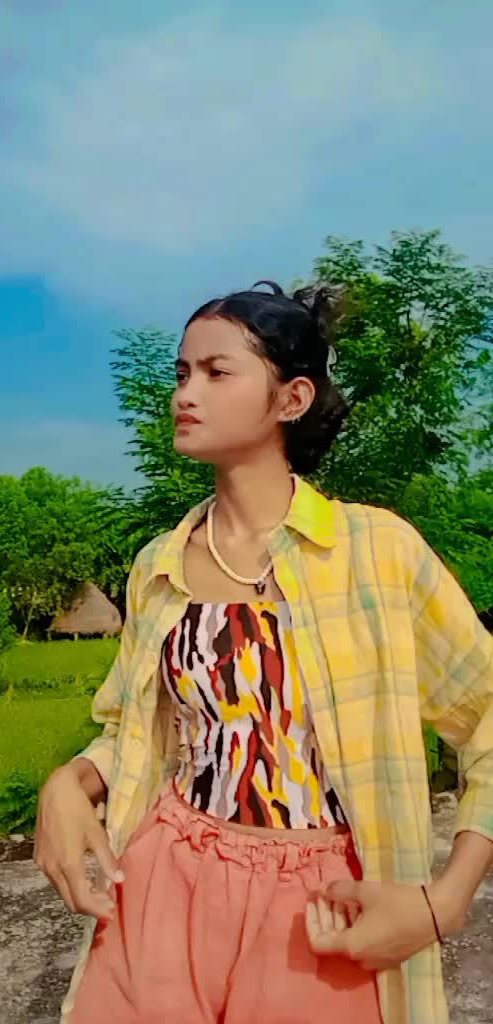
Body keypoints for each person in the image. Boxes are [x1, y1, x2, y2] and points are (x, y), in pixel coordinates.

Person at [35, 282, 493, 1024]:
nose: (186, 393)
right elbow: (137, 731)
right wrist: (70, 780)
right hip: (164, 885)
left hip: (321, 909)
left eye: (217, 372)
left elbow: (488, 718)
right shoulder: (158, 566)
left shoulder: (377, 552)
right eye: (182, 373)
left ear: (292, 398)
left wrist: (445, 901)